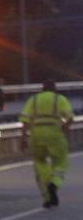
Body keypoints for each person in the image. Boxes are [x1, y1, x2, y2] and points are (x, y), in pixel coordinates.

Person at [21, 78, 74, 208]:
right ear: (55, 89)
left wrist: (23, 138)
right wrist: (65, 129)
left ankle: (47, 198)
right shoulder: (59, 99)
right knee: (60, 162)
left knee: (40, 164)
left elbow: (25, 120)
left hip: (36, 135)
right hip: (55, 134)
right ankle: (54, 184)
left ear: (42, 89)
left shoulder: (33, 100)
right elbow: (70, 118)